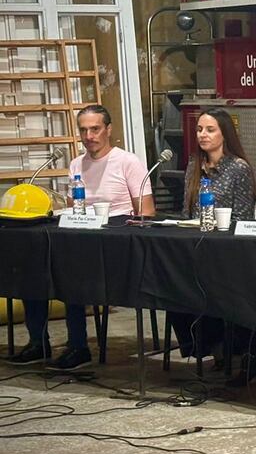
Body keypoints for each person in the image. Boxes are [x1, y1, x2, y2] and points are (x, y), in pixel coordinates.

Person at [9, 104, 155, 371]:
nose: (89, 136)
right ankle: (38, 342)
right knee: (36, 267)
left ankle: (78, 347)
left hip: (115, 242)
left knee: (69, 273)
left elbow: (146, 212)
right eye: (84, 130)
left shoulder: (127, 162)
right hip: (82, 239)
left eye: (95, 129)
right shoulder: (77, 164)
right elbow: (71, 208)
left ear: (108, 130)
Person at [171, 108, 256, 386]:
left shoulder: (238, 168)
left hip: (230, 253)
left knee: (220, 291)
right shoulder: (194, 165)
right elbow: (187, 213)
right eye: (199, 129)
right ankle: (208, 348)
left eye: (210, 129)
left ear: (225, 134)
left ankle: (232, 352)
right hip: (198, 249)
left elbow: (244, 218)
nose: (203, 135)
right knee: (172, 286)